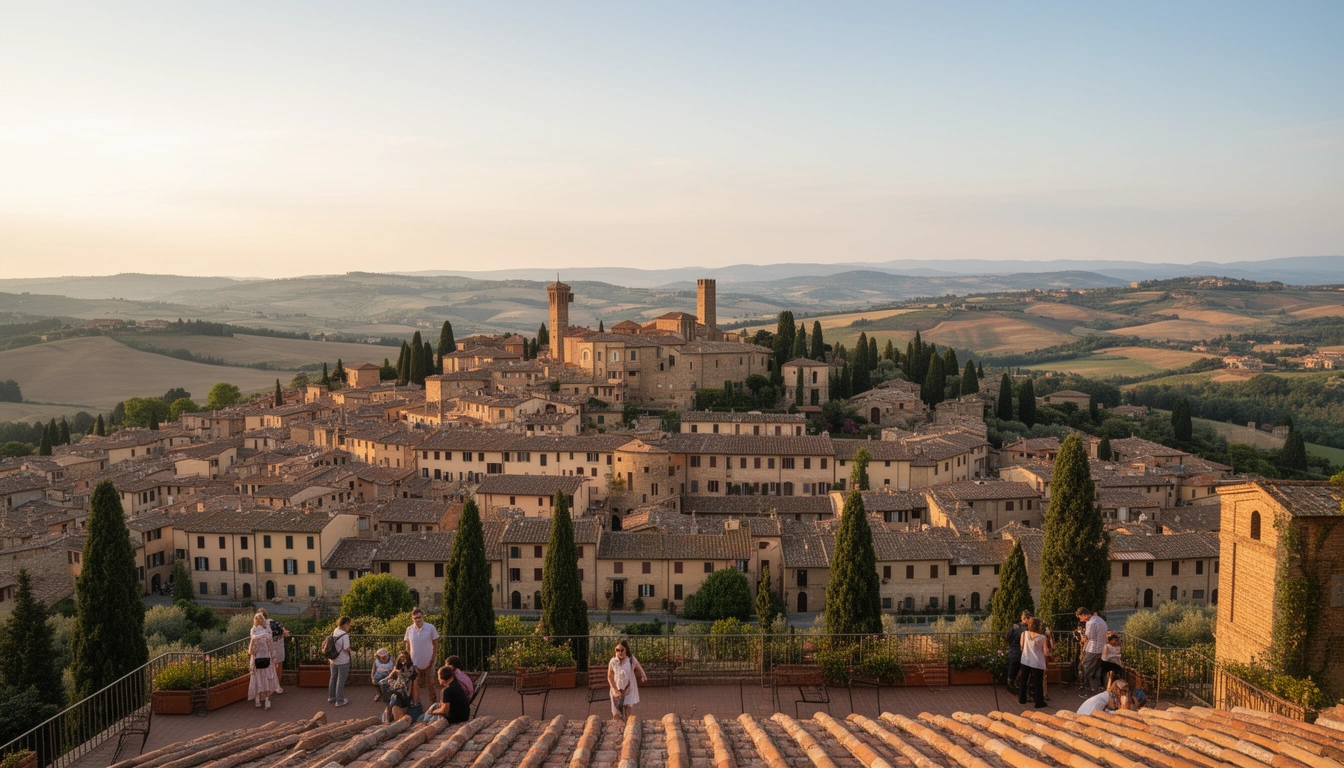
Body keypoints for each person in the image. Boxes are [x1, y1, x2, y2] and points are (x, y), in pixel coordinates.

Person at [404, 608, 440, 706]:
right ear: (412, 618)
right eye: (415, 618)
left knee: (431, 683)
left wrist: (433, 658)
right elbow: (408, 646)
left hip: (429, 661)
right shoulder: (409, 629)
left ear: (422, 617)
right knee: (414, 684)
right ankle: (416, 704)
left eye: (419, 617)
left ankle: (434, 704)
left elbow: (435, 644)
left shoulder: (430, 628)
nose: (417, 620)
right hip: (414, 662)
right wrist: (408, 660)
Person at [607, 640, 647, 720]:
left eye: (622, 650)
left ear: (626, 650)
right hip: (616, 689)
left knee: (628, 710)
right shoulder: (613, 662)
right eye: (617, 650)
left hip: (629, 688)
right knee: (616, 713)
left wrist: (643, 676)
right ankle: (617, 729)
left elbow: (639, 667)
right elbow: (610, 676)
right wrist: (614, 689)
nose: (620, 652)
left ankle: (628, 727)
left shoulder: (630, 660)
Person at [247, 612, 279, 710]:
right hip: (266, 659)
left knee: (257, 678)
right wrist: (273, 658)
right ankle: (266, 699)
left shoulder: (253, 631)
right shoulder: (267, 632)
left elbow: (251, 650)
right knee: (266, 679)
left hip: (256, 659)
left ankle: (257, 699)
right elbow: (271, 647)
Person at [1018, 617, 1049, 709]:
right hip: (1037, 662)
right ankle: (1038, 702)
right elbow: (1046, 652)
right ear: (1038, 626)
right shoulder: (1042, 637)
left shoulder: (1024, 634)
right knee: (1037, 682)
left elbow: (1021, 646)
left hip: (1025, 659)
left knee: (1023, 679)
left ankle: (1022, 699)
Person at [1076, 607, 1108, 695]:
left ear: (1084, 615)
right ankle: (1094, 689)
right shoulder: (1099, 619)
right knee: (1094, 669)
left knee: (1087, 669)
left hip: (1092, 649)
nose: (1081, 620)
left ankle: (1091, 690)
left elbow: (1087, 638)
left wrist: (1082, 637)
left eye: (1080, 618)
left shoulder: (1091, 623)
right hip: (1100, 649)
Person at [258, 608, 290, 694]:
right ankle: (277, 686)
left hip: (268, 648)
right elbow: (284, 632)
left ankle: (269, 686)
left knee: (269, 667)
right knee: (278, 666)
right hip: (278, 646)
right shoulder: (274, 622)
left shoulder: (261, 626)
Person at [382, 651, 419, 722]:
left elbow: (414, 687)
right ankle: (388, 718)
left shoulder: (413, 670)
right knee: (393, 699)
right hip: (397, 694)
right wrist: (394, 671)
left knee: (393, 700)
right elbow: (388, 679)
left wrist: (415, 702)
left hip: (406, 695)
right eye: (401, 659)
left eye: (405, 659)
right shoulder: (397, 670)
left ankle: (389, 719)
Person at [1004, 610, 1032, 694]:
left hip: (1013, 650)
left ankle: (1011, 685)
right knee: (1022, 671)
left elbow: (1007, 637)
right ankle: (1018, 687)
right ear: (1025, 618)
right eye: (1029, 618)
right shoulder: (1027, 629)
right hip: (1022, 652)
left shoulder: (1014, 627)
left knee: (1012, 669)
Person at [328, 616, 352, 707]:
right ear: (346, 623)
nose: (349, 626)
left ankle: (331, 696)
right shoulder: (345, 635)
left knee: (333, 678)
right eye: (349, 624)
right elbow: (346, 649)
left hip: (333, 660)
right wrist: (350, 649)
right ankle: (340, 700)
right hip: (343, 661)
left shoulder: (335, 631)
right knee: (340, 680)